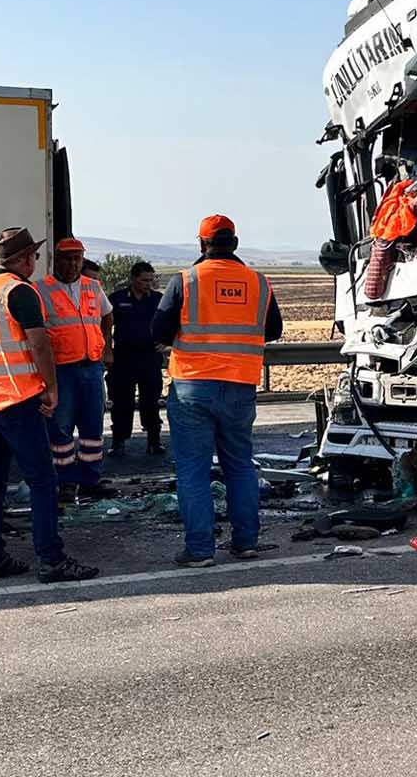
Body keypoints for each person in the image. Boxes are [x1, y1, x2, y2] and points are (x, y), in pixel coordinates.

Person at [0, 227, 98, 584]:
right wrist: (51, 388)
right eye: (34, 256)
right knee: (42, 479)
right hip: (17, 398)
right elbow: (40, 345)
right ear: (23, 259)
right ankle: (51, 559)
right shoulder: (19, 291)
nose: (36, 262)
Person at [152, 215, 282, 566]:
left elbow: (159, 331)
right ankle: (245, 543)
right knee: (239, 465)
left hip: (193, 385)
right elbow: (273, 330)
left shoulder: (186, 280)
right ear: (235, 244)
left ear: (201, 244)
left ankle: (199, 550)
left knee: (193, 469)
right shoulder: (258, 282)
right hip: (241, 385)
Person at [37, 238, 113, 494]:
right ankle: (66, 481)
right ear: (56, 260)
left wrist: (107, 349)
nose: (72, 264)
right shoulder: (41, 290)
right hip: (61, 369)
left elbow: (106, 315)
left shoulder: (92, 286)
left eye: (76, 259)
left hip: (90, 366)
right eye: (67, 258)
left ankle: (91, 480)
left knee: (93, 426)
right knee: (61, 427)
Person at [107, 260, 165, 456]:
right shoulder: (117, 298)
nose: (147, 284)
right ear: (133, 279)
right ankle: (119, 442)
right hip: (123, 359)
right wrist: (106, 350)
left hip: (149, 358)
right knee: (122, 402)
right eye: (143, 280)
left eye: (150, 280)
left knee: (151, 401)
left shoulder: (158, 299)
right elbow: (104, 325)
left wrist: (166, 341)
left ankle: (154, 441)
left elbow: (173, 321)